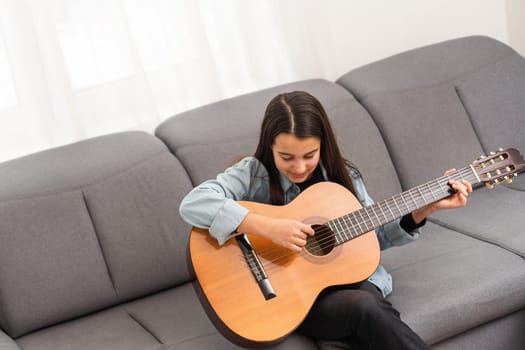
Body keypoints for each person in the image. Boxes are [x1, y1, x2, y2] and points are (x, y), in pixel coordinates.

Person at [179, 91, 472, 349]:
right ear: (269, 146)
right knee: (365, 307)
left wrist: (425, 209)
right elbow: (194, 203)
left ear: (323, 143)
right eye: (286, 157)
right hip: (287, 298)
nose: (299, 167)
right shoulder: (253, 173)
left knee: (364, 306)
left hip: (349, 284)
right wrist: (266, 226)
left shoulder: (343, 176)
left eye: (309, 155)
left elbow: (375, 237)